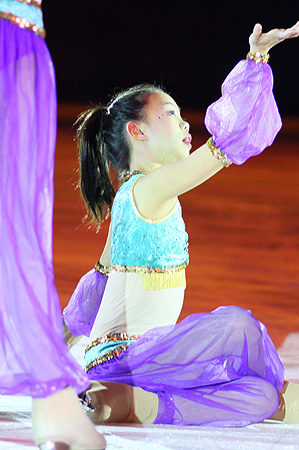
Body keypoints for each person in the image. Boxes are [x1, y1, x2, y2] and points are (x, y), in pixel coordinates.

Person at [63, 20, 299, 427]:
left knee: (258, 395)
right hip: (131, 356)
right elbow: (221, 149)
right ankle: (113, 399)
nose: (185, 123)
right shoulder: (151, 188)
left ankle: (128, 403)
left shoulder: (133, 199)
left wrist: (52, 349)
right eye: (171, 114)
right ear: (137, 131)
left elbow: (97, 286)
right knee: (237, 328)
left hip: (140, 364)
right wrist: (257, 59)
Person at [0, 1, 107, 449]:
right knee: (14, 220)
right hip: (15, 35)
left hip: (19, 34)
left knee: (14, 218)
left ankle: (55, 410)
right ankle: (55, 411)